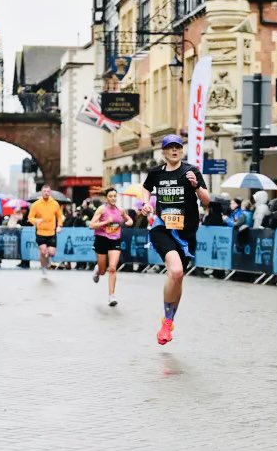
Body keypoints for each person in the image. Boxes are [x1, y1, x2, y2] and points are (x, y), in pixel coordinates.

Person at [141, 134, 209, 345]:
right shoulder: (156, 173)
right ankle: (166, 321)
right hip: (163, 229)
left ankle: (168, 321)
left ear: (182, 150)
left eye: (178, 147)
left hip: (187, 233)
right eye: (170, 147)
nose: (174, 151)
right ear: (164, 152)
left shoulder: (191, 171)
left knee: (178, 277)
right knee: (176, 271)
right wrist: (146, 203)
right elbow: (146, 188)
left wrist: (196, 186)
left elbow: (206, 201)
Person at [89, 187, 133, 306]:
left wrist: (129, 222)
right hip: (102, 239)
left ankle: (111, 296)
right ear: (106, 198)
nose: (113, 198)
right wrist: (105, 222)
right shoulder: (102, 209)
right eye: (110, 196)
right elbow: (91, 225)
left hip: (115, 240)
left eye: (114, 196)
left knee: (113, 268)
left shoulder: (121, 210)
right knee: (103, 271)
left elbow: (129, 220)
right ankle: (98, 270)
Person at [28, 184, 64, 278]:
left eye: (48, 191)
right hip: (40, 232)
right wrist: (36, 220)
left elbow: (59, 216)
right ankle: (43, 268)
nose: (46, 193)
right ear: (42, 192)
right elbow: (30, 218)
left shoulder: (55, 203)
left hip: (52, 232)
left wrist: (59, 226)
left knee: (51, 253)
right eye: (44, 191)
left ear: (50, 192)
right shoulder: (36, 204)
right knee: (43, 251)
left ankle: (47, 261)